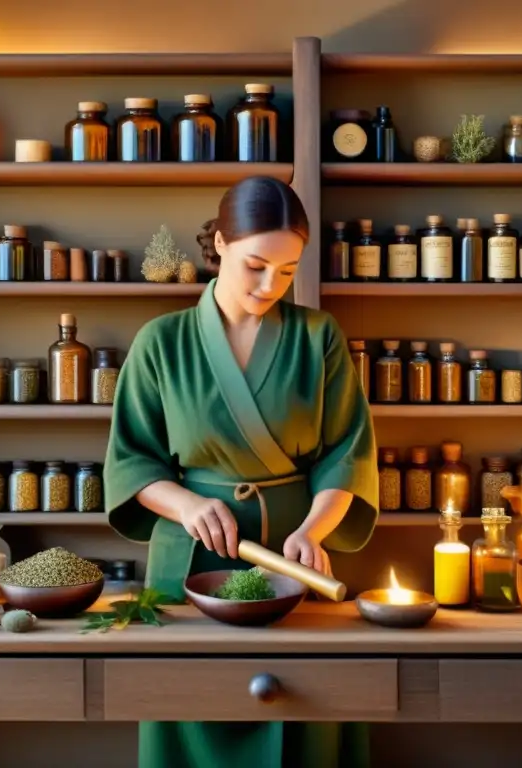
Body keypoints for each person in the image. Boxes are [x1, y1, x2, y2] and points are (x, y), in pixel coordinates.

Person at [104, 176, 379, 768]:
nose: (269, 285)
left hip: (296, 556)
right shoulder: (162, 342)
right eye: (256, 264)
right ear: (221, 243)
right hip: (190, 556)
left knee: (306, 713)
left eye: (287, 271)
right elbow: (133, 460)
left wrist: (313, 531)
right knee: (191, 716)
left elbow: (346, 452)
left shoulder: (318, 337)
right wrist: (187, 506)